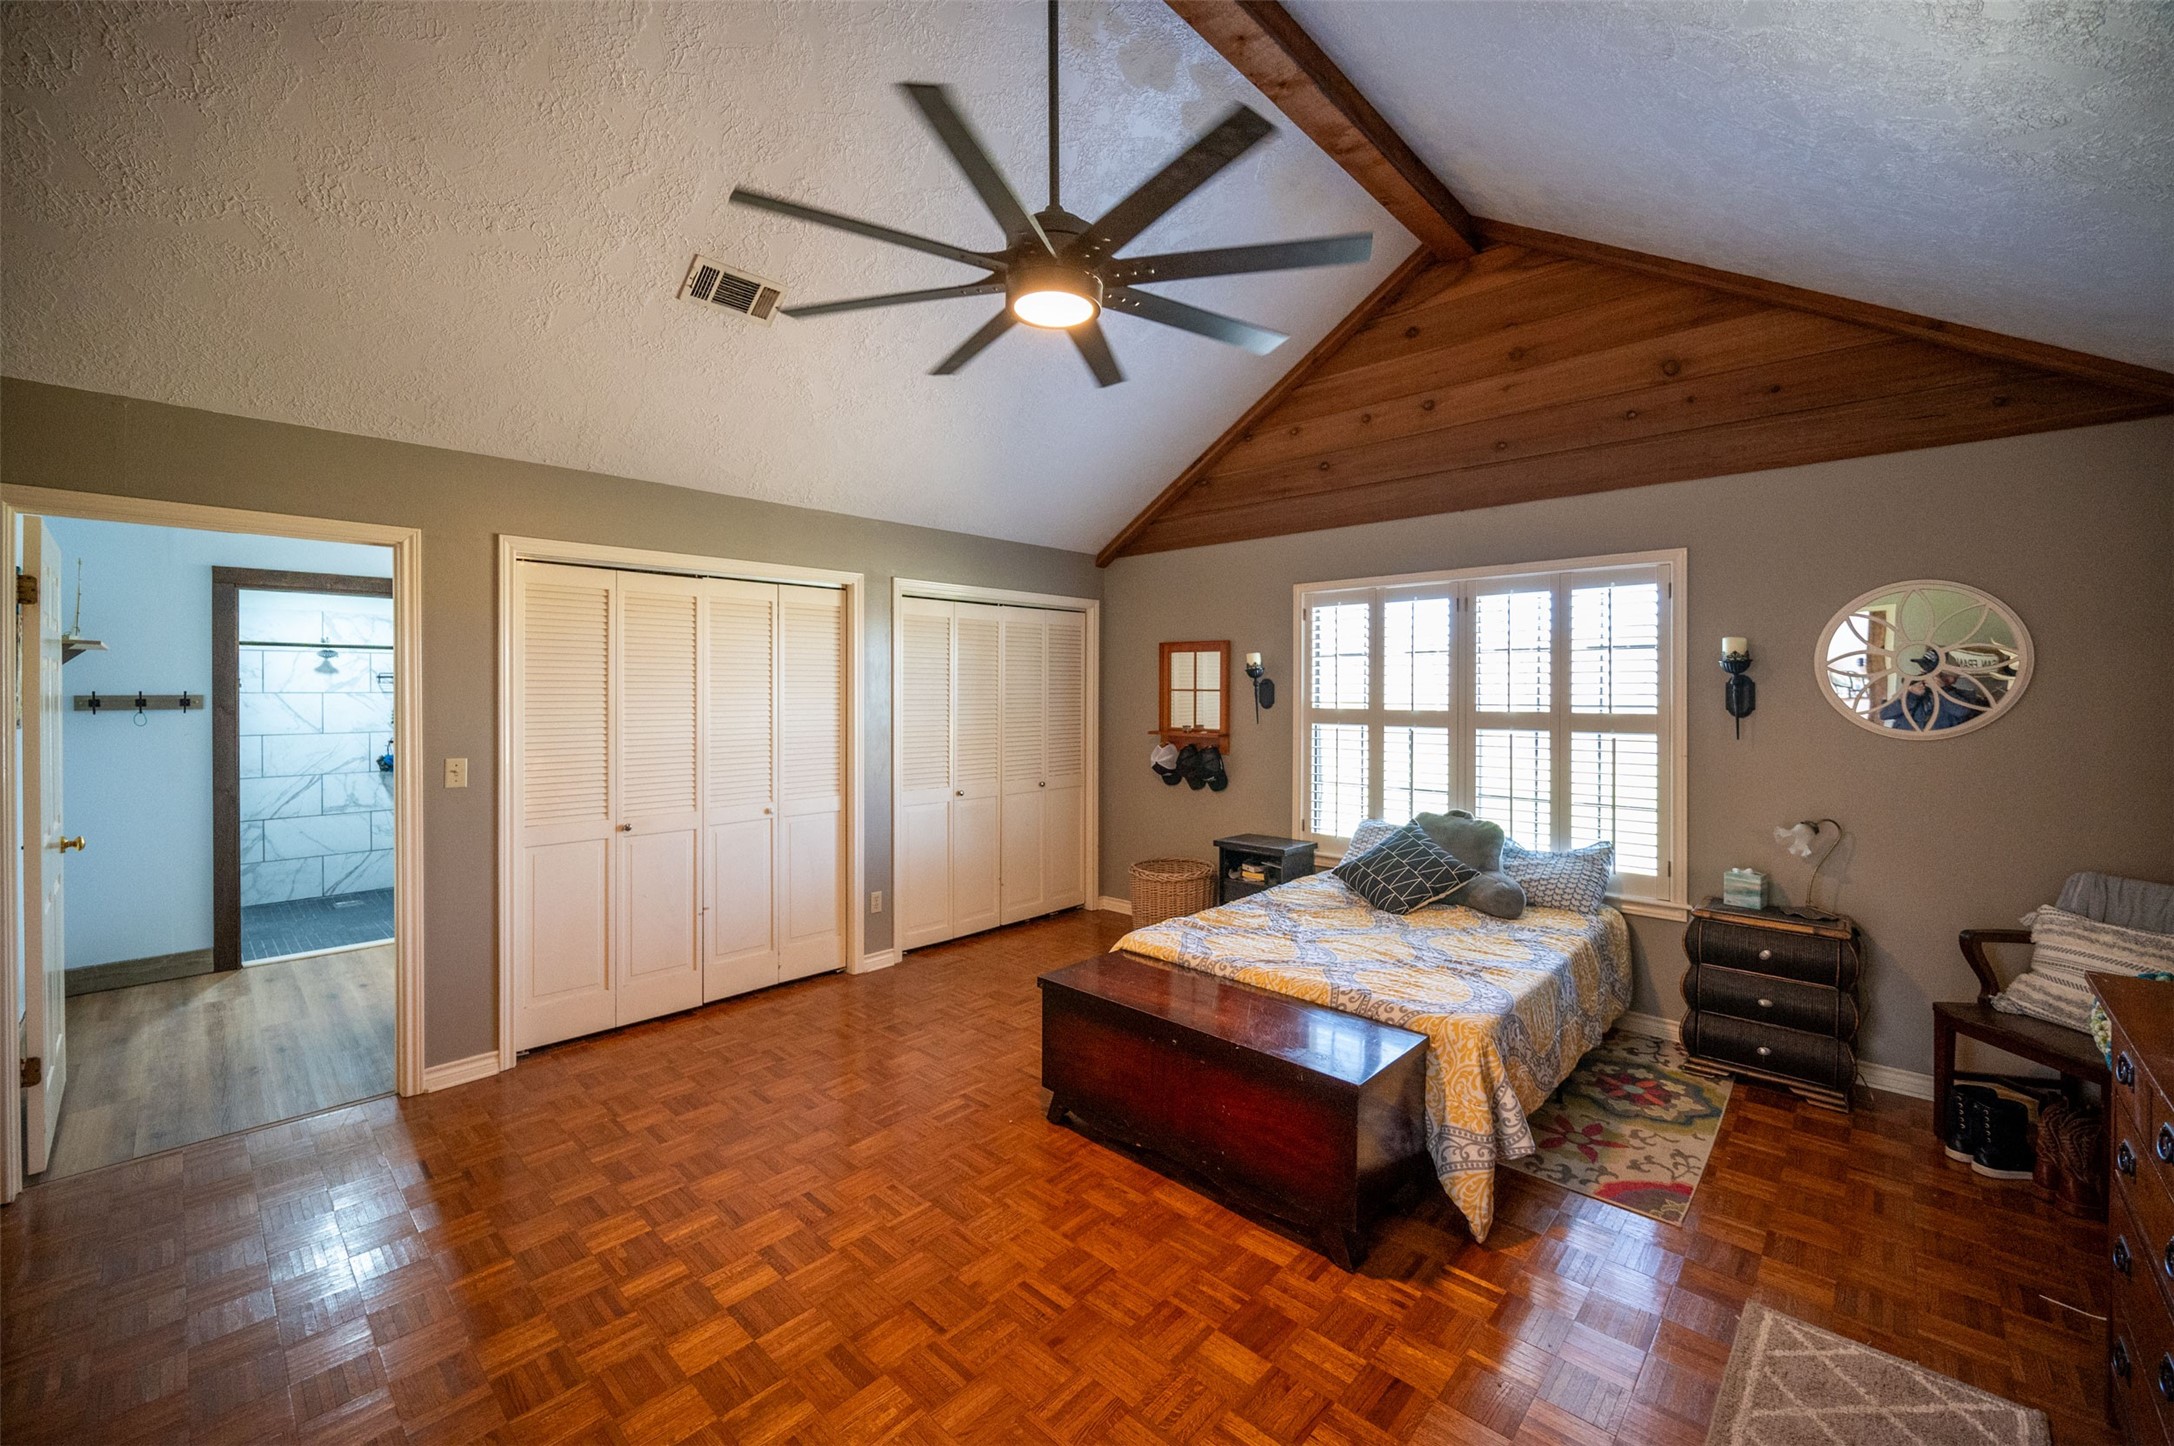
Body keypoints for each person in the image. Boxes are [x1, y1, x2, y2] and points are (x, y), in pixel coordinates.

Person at [1878, 649, 1991, 731]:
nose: (1923, 673)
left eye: (1929, 671)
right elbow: (1884, 714)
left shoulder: (1963, 696)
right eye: (1923, 670)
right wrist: (1911, 695)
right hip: (1907, 747)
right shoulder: (1910, 690)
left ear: (1949, 677)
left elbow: (1961, 711)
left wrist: (1942, 690)